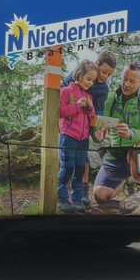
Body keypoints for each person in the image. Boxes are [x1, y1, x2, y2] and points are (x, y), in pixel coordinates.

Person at [93, 61, 140, 203]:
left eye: (132, 81)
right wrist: (101, 127)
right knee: (99, 196)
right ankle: (124, 183)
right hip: (114, 153)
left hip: (133, 153)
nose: (126, 84)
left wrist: (131, 134)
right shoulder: (111, 98)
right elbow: (101, 122)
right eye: (124, 79)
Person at [57, 60, 105, 213]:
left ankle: (77, 200)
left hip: (83, 139)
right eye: (88, 79)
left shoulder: (89, 96)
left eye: (93, 80)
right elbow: (61, 112)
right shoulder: (66, 91)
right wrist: (77, 105)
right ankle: (62, 200)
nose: (91, 83)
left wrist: (90, 108)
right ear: (79, 75)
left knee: (79, 170)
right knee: (67, 168)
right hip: (68, 136)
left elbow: (91, 119)